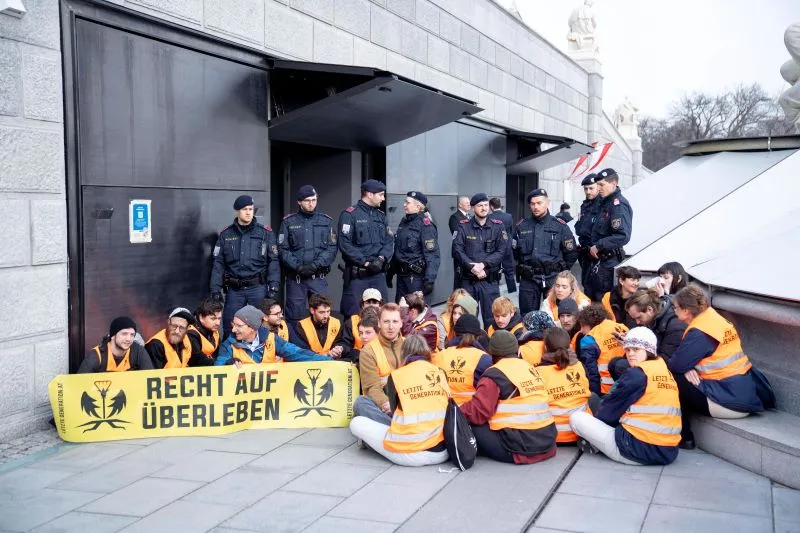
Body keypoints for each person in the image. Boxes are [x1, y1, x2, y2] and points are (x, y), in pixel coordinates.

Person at [668, 285, 771, 449]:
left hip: (729, 402)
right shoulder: (714, 318)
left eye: (676, 307)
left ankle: (684, 437)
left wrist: (686, 367)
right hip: (743, 393)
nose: (673, 311)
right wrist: (687, 366)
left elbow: (675, 365)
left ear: (687, 311)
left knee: (672, 378)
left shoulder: (700, 331)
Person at [570, 327, 681, 466]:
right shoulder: (664, 371)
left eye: (636, 349)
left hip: (635, 450)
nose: (631, 354)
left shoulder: (638, 374)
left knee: (577, 417)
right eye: (628, 350)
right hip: (668, 451)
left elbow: (608, 412)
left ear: (649, 350)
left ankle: (594, 444)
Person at [349, 335, 450, 466]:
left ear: (403, 353)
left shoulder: (397, 376)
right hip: (442, 451)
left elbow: (393, 411)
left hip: (410, 452)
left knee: (357, 422)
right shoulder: (440, 372)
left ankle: (368, 443)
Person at [460, 330, 558, 464]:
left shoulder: (495, 374)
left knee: (471, 425)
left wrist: (457, 411)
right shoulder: (530, 368)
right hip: (547, 443)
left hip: (519, 448)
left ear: (492, 354)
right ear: (517, 351)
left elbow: (478, 411)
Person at [211, 195, 280, 338]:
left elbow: (273, 260)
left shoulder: (265, 233)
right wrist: (215, 288)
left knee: (260, 327)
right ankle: (229, 358)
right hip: (235, 289)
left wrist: (274, 285)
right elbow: (218, 263)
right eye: (244, 209)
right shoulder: (226, 234)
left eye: (251, 209)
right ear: (237, 211)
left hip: (257, 288)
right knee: (231, 326)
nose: (248, 212)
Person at [513, 188, 579, 316]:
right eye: (532, 204)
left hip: (553, 279)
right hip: (529, 279)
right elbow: (514, 252)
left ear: (547, 203)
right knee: (528, 316)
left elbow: (571, 253)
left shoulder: (559, 225)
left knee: (555, 315)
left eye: (539, 203)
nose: (536, 207)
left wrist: (561, 272)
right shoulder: (521, 226)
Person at [278, 185, 339, 321]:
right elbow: (283, 249)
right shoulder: (288, 222)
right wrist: (298, 266)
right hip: (296, 279)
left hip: (317, 277)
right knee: (294, 317)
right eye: (307, 200)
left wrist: (315, 265)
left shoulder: (326, 221)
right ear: (299, 202)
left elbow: (332, 248)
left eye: (314, 199)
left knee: (322, 315)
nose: (311, 203)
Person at [338, 179, 394, 316]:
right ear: (369, 194)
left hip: (378, 275)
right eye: (380, 194)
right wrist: (365, 262)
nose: (383, 198)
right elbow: (345, 244)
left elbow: (389, 241)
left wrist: (381, 259)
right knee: (354, 315)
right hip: (358, 277)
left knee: (382, 315)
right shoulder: (350, 215)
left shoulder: (381, 216)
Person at [452, 193, 508, 326]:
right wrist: (472, 267)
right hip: (468, 281)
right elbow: (457, 250)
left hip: (489, 281)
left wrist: (483, 265)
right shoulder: (463, 226)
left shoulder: (498, 226)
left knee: (493, 319)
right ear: (472, 208)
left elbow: (501, 251)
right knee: (467, 319)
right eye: (479, 205)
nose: (484, 208)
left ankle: (491, 346)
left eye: (486, 205)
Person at [215, 305, 330, 365]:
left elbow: (298, 353)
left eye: (239, 326)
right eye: (233, 325)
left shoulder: (271, 339)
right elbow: (216, 373)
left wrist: (331, 362)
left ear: (252, 328)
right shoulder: (228, 345)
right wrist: (227, 365)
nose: (233, 329)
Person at [538, 328, 596, 444]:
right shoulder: (579, 365)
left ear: (545, 348)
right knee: (593, 396)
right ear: (569, 345)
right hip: (582, 432)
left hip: (552, 436)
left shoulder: (538, 372)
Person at [584, 168, 633, 302]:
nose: (599, 188)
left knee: (603, 302)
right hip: (598, 262)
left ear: (613, 184)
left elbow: (623, 236)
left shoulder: (618, 205)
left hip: (608, 263)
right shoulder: (604, 203)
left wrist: (599, 245)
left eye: (602, 185)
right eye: (598, 185)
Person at [353, 303, 405, 424]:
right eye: (386, 322)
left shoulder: (409, 344)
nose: (391, 326)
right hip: (386, 405)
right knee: (361, 403)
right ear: (379, 324)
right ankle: (395, 427)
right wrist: (387, 404)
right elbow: (372, 388)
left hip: (409, 400)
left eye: (395, 321)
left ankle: (390, 428)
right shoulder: (368, 351)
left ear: (401, 323)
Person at [388, 191, 440, 300]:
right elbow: (399, 249)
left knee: (415, 313)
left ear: (418, 206)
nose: (404, 205)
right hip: (402, 277)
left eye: (407, 202)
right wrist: (391, 271)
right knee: (401, 312)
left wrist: (430, 280)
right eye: (404, 202)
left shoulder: (425, 225)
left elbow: (432, 255)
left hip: (416, 279)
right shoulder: (404, 221)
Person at [432, 314, 493, 405]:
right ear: (478, 336)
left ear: (455, 333)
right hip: (471, 412)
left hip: (443, 411)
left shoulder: (439, 356)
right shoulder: (484, 359)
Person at [576, 303, 628, 395]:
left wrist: (595, 395)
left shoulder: (589, 339)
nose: (581, 330)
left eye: (583, 326)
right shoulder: (623, 328)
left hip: (606, 389)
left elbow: (591, 373)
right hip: (629, 384)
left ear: (590, 323)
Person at [625, 289, 686, 359]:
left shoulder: (675, 327)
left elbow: (666, 360)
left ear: (650, 310)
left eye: (639, 317)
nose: (637, 322)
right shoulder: (652, 320)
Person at [78, 317, 154, 373]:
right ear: (113, 336)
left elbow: (150, 379)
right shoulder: (97, 355)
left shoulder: (138, 351)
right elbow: (79, 384)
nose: (129, 339)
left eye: (132, 335)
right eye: (124, 334)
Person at [336, 288, 383, 361]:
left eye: (375, 302)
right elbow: (345, 343)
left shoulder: (386, 321)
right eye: (368, 302)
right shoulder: (351, 321)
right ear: (362, 305)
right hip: (357, 358)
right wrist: (341, 348)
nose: (371, 305)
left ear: (380, 305)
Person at [291, 294, 343, 358]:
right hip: (311, 363)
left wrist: (338, 349)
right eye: (321, 312)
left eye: (328, 311)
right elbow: (302, 350)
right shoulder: (302, 326)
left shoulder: (336, 323)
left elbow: (340, 342)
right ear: (312, 310)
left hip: (332, 362)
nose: (326, 316)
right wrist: (325, 355)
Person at [574, 173, 600, 289]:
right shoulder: (585, 206)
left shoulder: (603, 205)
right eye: (586, 189)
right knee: (587, 286)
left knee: (597, 288)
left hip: (597, 253)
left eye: (591, 188)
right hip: (585, 254)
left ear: (598, 187)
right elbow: (580, 228)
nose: (588, 191)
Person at [489, 197, 517, 295]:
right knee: (509, 270)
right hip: (507, 246)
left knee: (493, 269)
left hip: (494, 247)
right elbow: (511, 231)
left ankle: (494, 287)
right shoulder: (508, 216)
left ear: (491, 206)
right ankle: (512, 290)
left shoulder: (489, 217)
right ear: (500, 205)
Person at [187, 296, 223, 366]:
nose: (218, 323)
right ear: (201, 317)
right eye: (213, 319)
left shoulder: (214, 331)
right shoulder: (191, 334)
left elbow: (220, 354)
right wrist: (223, 364)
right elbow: (198, 361)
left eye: (219, 318)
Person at [449, 196, 472, 290]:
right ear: (460, 205)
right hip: (460, 253)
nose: (469, 204)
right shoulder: (455, 217)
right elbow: (457, 235)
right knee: (460, 281)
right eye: (466, 203)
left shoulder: (470, 216)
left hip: (470, 253)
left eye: (469, 202)